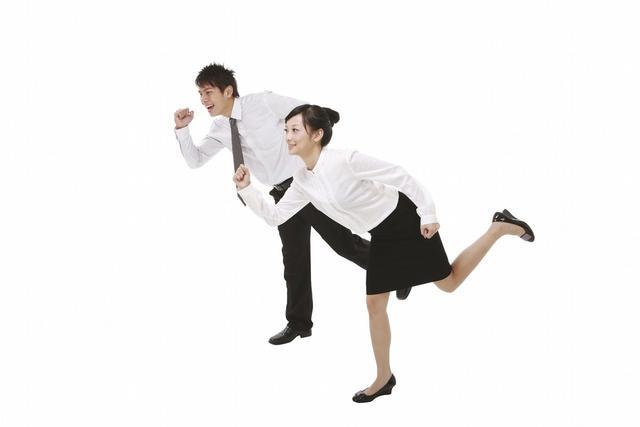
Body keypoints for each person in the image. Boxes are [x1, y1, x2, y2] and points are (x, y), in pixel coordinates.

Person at [232, 104, 535, 402]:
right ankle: (383, 378)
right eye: (286, 130)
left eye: (295, 130)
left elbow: (399, 176)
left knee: (449, 283)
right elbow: (276, 217)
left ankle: (498, 228)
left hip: (404, 221)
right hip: (380, 235)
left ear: (317, 134)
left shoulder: (345, 160)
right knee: (375, 304)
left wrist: (428, 213)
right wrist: (247, 189)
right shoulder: (302, 180)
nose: (287, 136)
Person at [174, 63, 412, 346]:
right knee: (294, 259)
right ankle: (299, 324)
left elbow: (307, 112)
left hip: (306, 186)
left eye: (208, 92)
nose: (203, 99)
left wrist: (323, 141)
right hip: (280, 195)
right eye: (200, 93)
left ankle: (399, 268)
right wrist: (182, 130)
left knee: (343, 244)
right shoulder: (219, 128)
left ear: (227, 91)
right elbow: (195, 160)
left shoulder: (263, 103)